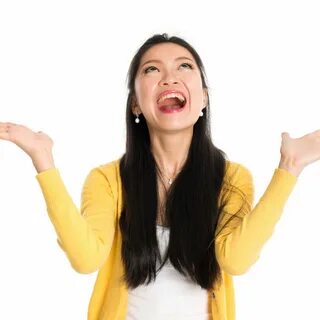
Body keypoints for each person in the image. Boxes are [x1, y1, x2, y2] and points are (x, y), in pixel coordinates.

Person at [0, 33, 319, 320]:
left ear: (204, 98)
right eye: (152, 69)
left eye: (184, 67)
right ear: (136, 104)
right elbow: (86, 259)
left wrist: (289, 167)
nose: (169, 78)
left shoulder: (231, 178)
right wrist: (44, 161)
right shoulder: (108, 180)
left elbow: (236, 260)